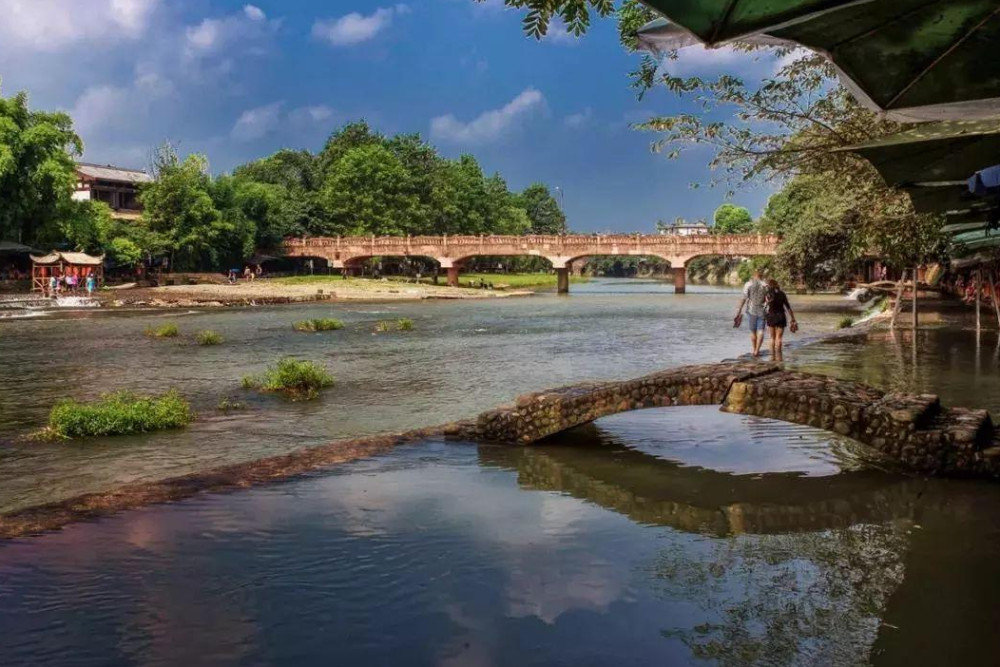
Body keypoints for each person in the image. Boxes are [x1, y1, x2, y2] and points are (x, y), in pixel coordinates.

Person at [735, 268, 769, 357]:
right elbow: (769, 298)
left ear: (753, 275)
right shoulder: (765, 285)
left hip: (751, 310)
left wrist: (739, 310)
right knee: (761, 331)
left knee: (753, 331)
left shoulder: (748, 284)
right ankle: (757, 350)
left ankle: (754, 349)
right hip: (762, 310)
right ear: (761, 276)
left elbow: (744, 298)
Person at [764, 279, 796, 361]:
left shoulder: (768, 295)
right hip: (781, 316)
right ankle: (779, 357)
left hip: (771, 316)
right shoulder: (782, 294)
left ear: (769, 285)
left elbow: (764, 305)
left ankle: (772, 357)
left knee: (772, 338)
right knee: (779, 338)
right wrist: (793, 318)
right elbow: (788, 307)